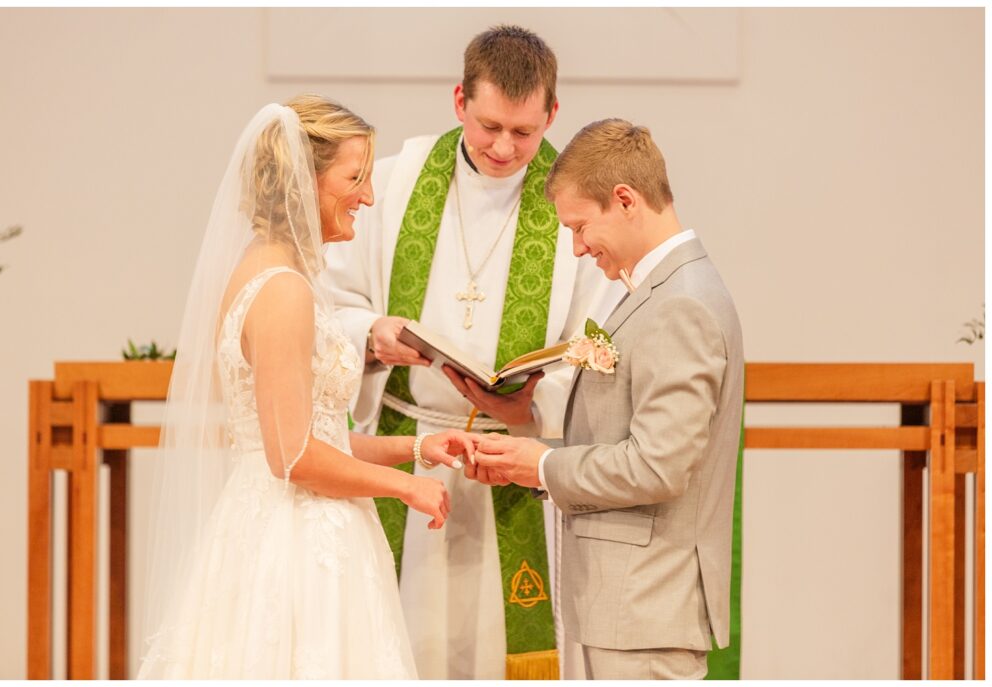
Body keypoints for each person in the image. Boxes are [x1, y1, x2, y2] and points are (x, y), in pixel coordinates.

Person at [136, 95, 478, 679]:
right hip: (296, 543)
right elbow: (293, 456)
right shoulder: (283, 291)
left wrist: (417, 450)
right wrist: (404, 487)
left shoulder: (263, 269)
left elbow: (318, 435)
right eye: (355, 178)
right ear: (303, 181)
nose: (368, 196)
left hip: (280, 519)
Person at [324, 25, 606, 679]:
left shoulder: (574, 204)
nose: (505, 147)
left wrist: (535, 404)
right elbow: (327, 301)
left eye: (524, 131)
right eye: (489, 126)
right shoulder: (395, 183)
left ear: (552, 116)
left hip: (515, 463)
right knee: (405, 645)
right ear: (459, 101)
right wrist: (371, 334)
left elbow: (597, 339)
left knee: (497, 647)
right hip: (409, 448)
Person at [472, 119, 745, 680]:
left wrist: (547, 465)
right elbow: (630, 439)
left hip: (647, 604)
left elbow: (659, 465)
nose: (575, 247)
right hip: (628, 606)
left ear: (625, 199)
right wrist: (528, 463)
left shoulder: (681, 305)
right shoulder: (658, 292)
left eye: (579, 226)